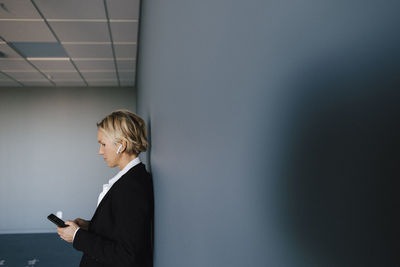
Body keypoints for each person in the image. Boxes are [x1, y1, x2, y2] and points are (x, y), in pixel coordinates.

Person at [57, 110, 154, 267]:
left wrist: (77, 236)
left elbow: (126, 255)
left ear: (121, 145)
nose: (100, 151)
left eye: (103, 144)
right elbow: (120, 227)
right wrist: (89, 226)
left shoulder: (132, 188)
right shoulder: (129, 179)